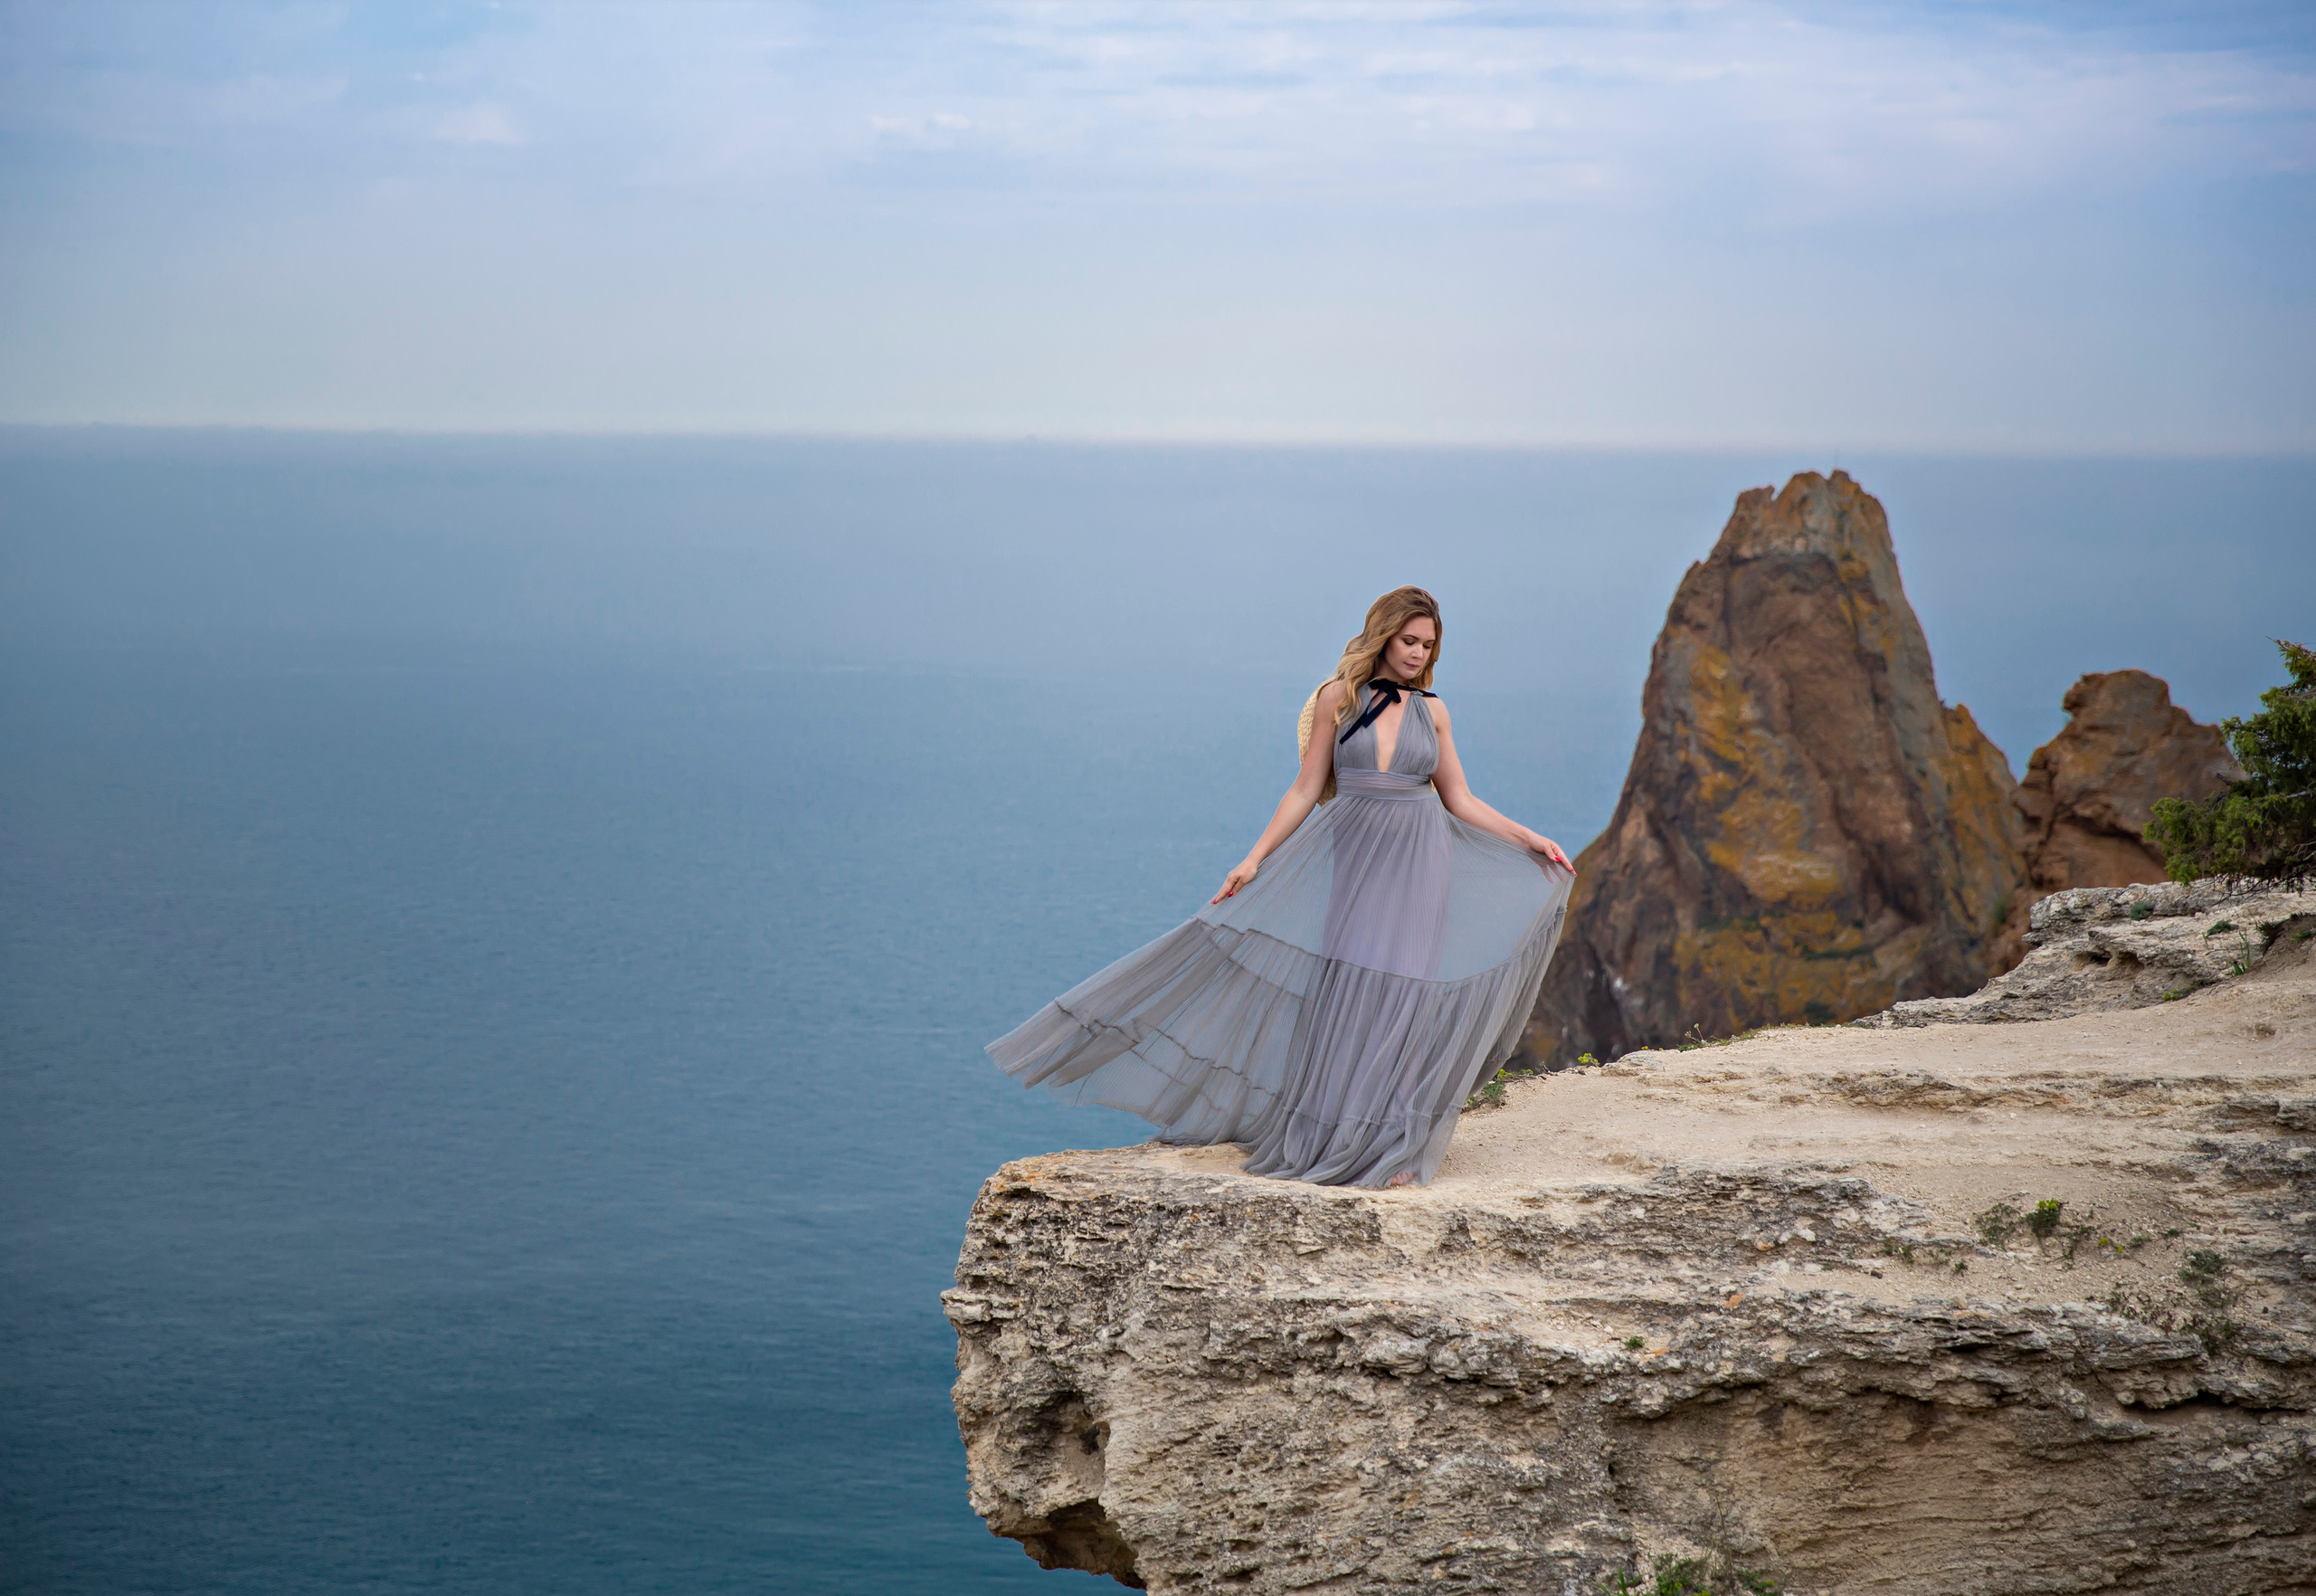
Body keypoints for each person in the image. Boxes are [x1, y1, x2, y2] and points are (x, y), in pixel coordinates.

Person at [986, 586, 1575, 1188]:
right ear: (1383, 636)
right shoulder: (1336, 700)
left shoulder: (1435, 711)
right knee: (1352, 988)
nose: (1419, 654)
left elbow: (1459, 799)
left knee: (1408, 996)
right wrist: (1254, 859)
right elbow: (1304, 790)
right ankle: (1336, 1134)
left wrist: (1528, 838)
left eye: (1428, 645)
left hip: (1422, 864)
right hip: (1359, 861)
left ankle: (1395, 1144)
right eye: (1409, 642)